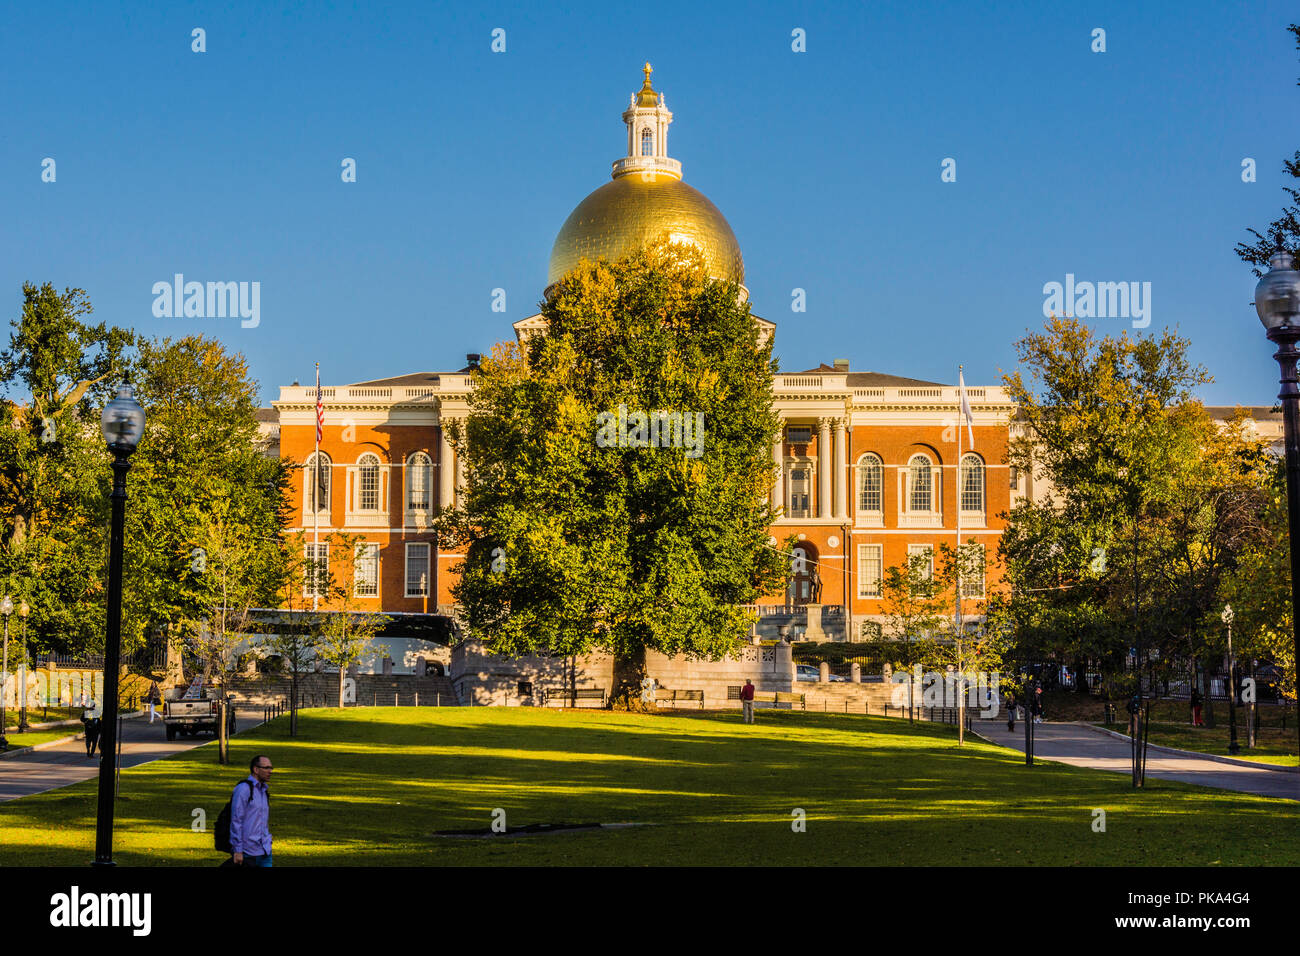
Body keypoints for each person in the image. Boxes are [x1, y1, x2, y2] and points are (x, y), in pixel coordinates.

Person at [230, 755, 274, 867]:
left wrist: (268, 839)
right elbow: (236, 820)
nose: (270, 771)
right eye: (267, 768)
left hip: (265, 851)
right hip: (248, 853)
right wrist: (238, 850)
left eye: (271, 768)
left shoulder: (264, 790)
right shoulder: (243, 789)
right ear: (256, 769)